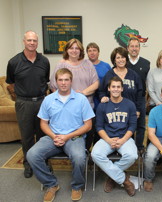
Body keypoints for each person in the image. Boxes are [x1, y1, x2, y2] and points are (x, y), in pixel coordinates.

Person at [27, 68, 95, 202]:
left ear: (71, 81)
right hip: (53, 136)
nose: (63, 83)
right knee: (31, 155)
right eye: (60, 80)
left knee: (79, 157)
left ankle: (77, 186)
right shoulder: (48, 99)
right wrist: (54, 136)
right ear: (56, 82)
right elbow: (43, 124)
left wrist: (67, 136)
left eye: (66, 80)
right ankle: (51, 184)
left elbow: (88, 126)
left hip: (74, 137)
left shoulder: (81, 99)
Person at [6, 30, 50, 178]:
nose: (32, 43)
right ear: (24, 41)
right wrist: (21, 95)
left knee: (43, 135)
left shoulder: (44, 61)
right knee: (27, 136)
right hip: (23, 103)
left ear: (37, 43)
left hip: (41, 102)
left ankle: (43, 161)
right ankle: (29, 163)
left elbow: (46, 81)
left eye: (34, 41)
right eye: (29, 40)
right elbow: (10, 83)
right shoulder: (14, 62)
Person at [91, 76, 138, 197]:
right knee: (95, 154)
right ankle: (124, 180)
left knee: (132, 155)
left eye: (118, 87)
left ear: (122, 88)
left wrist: (122, 140)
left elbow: (132, 126)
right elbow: (99, 127)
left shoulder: (130, 104)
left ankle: (112, 177)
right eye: (113, 87)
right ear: (109, 88)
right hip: (107, 138)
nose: (116, 89)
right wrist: (108, 140)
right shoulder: (103, 105)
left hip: (124, 138)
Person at [50, 38, 99, 150]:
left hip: (86, 106)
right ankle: (72, 154)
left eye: (77, 48)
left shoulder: (88, 64)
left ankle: (85, 154)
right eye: (71, 48)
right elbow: (53, 86)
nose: (74, 50)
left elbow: (96, 83)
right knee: (72, 136)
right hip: (67, 108)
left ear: (81, 50)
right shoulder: (61, 65)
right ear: (67, 50)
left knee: (89, 133)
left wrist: (82, 94)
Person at [98, 47, 143, 126]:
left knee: (129, 133)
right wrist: (103, 97)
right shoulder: (109, 75)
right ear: (114, 60)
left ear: (126, 59)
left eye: (123, 57)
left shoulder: (134, 75)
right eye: (118, 57)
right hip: (113, 113)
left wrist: (137, 109)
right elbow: (101, 91)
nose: (121, 60)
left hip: (130, 111)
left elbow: (140, 93)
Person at [127, 37, 150, 153]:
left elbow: (148, 83)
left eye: (136, 46)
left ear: (139, 48)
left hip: (140, 98)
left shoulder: (146, 64)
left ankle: (139, 147)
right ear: (128, 48)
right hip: (125, 98)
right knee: (127, 124)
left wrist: (146, 100)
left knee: (141, 124)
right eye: (132, 46)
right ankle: (129, 146)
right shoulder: (123, 62)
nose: (134, 49)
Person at [86, 42, 111, 111]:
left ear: (98, 52)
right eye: (90, 51)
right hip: (88, 98)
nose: (92, 53)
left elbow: (112, 82)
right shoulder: (83, 66)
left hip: (103, 98)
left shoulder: (106, 66)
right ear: (87, 53)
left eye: (94, 50)